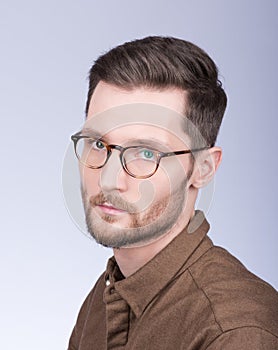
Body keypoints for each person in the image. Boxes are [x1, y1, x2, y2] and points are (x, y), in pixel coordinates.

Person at [67, 36, 278, 349]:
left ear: (203, 168)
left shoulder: (235, 333)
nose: (109, 180)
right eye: (99, 144)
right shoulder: (106, 292)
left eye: (146, 153)